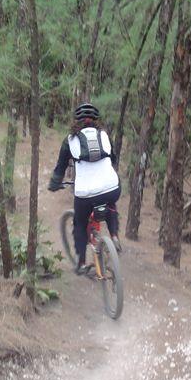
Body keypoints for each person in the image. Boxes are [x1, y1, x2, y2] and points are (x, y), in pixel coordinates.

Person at [48, 103, 122, 274]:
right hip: (111, 187)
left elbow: (60, 169)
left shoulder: (69, 140)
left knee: (80, 223)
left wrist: (54, 184)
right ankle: (114, 236)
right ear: (96, 121)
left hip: (85, 195)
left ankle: (81, 263)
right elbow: (114, 159)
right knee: (110, 202)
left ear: (76, 122)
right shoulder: (104, 135)